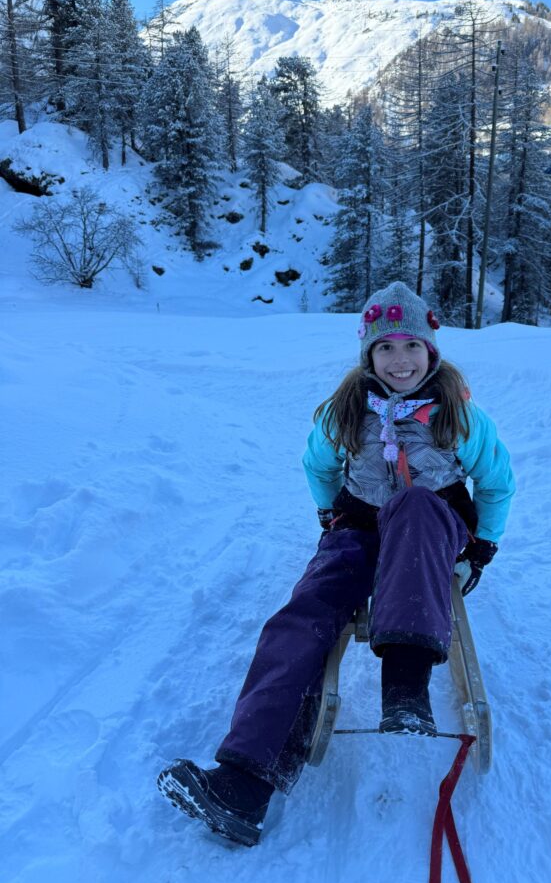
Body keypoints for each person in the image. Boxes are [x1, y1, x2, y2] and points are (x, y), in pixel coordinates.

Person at [157, 281, 515, 847]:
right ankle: (245, 782)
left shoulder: (459, 415)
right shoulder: (345, 411)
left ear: (432, 351)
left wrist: (481, 549)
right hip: (361, 527)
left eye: (411, 347)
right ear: (368, 355)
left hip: (429, 530)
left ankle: (405, 684)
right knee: (304, 614)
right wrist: (330, 516)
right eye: (386, 348)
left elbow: (496, 482)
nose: (400, 360)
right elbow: (317, 466)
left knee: (417, 502)